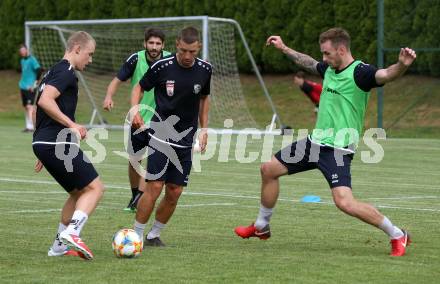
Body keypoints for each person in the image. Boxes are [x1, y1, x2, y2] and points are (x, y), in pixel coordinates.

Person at [235, 28, 416, 257]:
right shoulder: (330, 68)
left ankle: (397, 234)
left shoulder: (361, 72)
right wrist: (283, 48)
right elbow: (309, 62)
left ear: (341, 49)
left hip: (337, 150)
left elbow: (386, 75)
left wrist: (402, 65)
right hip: (314, 143)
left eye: (327, 53)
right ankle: (261, 227)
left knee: (344, 202)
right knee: (268, 169)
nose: (324, 58)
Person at [130, 26, 211, 247]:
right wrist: (135, 110)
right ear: (177, 44)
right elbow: (139, 87)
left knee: (175, 191)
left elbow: (204, 98)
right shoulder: (161, 67)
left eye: (192, 52)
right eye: (184, 50)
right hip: (160, 134)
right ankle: (135, 234)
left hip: (186, 138)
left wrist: (204, 129)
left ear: (199, 48)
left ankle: (154, 235)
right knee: (155, 186)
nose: (187, 56)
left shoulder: (205, 69)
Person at [32, 31, 104, 260]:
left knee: (77, 193)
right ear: (77, 49)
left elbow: (37, 107)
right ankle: (73, 232)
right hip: (55, 142)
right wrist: (72, 124)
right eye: (89, 54)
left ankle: (58, 247)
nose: (90, 60)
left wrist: (40, 144)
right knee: (95, 188)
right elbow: (45, 101)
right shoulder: (66, 72)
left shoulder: (52, 71)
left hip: (46, 143)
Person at [103, 28, 171, 212]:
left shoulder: (170, 61)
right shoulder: (136, 59)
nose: (154, 47)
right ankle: (136, 196)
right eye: (151, 43)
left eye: (158, 43)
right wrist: (109, 96)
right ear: (145, 44)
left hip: (162, 121)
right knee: (135, 160)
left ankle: (144, 196)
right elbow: (117, 80)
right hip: (138, 118)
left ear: (163, 45)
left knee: (155, 162)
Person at [18, 44, 42, 132]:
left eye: (24, 50)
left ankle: (33, 126)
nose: (22, 52)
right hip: (23, 86)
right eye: (21, 51)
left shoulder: (32, 59)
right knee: (25, 106)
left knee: (30, 106)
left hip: (30, 87)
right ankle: (28, 126)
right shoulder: (22, 61)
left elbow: (39, 70)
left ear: (27, 50)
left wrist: (34, 84)